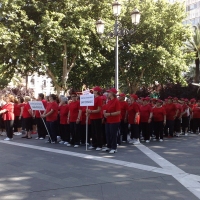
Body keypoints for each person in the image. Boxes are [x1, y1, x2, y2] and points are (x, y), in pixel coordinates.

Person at [102, 88, 121, 153]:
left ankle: (114, 147)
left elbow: (118, 112)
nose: (108, 94)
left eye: (109, 92)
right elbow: (107, 109)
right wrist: (105, 112)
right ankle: (109, 146)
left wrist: (109, 114)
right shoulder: (109, 101)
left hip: (115, 120)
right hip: (108, 120)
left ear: (113, 93)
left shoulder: (116, 101)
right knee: (108, 133)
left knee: (113, 134)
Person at [87, 86, 103, 151]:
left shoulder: (99, 98)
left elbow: (99, 109)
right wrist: (88, 112)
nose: (93, 91)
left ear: (97, 91)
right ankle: (94, 144)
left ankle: (99, 144)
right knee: (93, 131)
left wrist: (91, 111)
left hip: (97, 117)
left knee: (98, 131)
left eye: (94, 90)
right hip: (92, 117)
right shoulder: (93, 98)